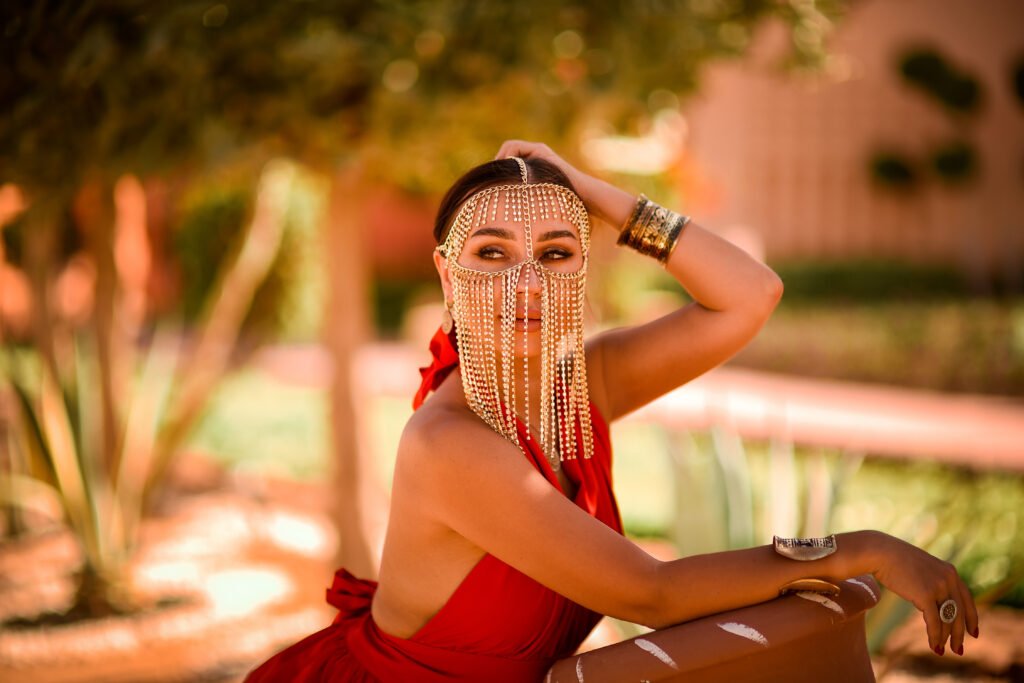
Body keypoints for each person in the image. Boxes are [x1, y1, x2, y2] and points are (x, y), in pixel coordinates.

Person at [245, 141, 978, 682]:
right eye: (492, 253)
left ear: (582, 268)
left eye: (558, 254)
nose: (525, 283)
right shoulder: (450, 443)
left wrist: (596, 194)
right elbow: (648, 592)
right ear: (447, 269)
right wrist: (865, 548)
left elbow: (750, 294)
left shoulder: (576, 386)